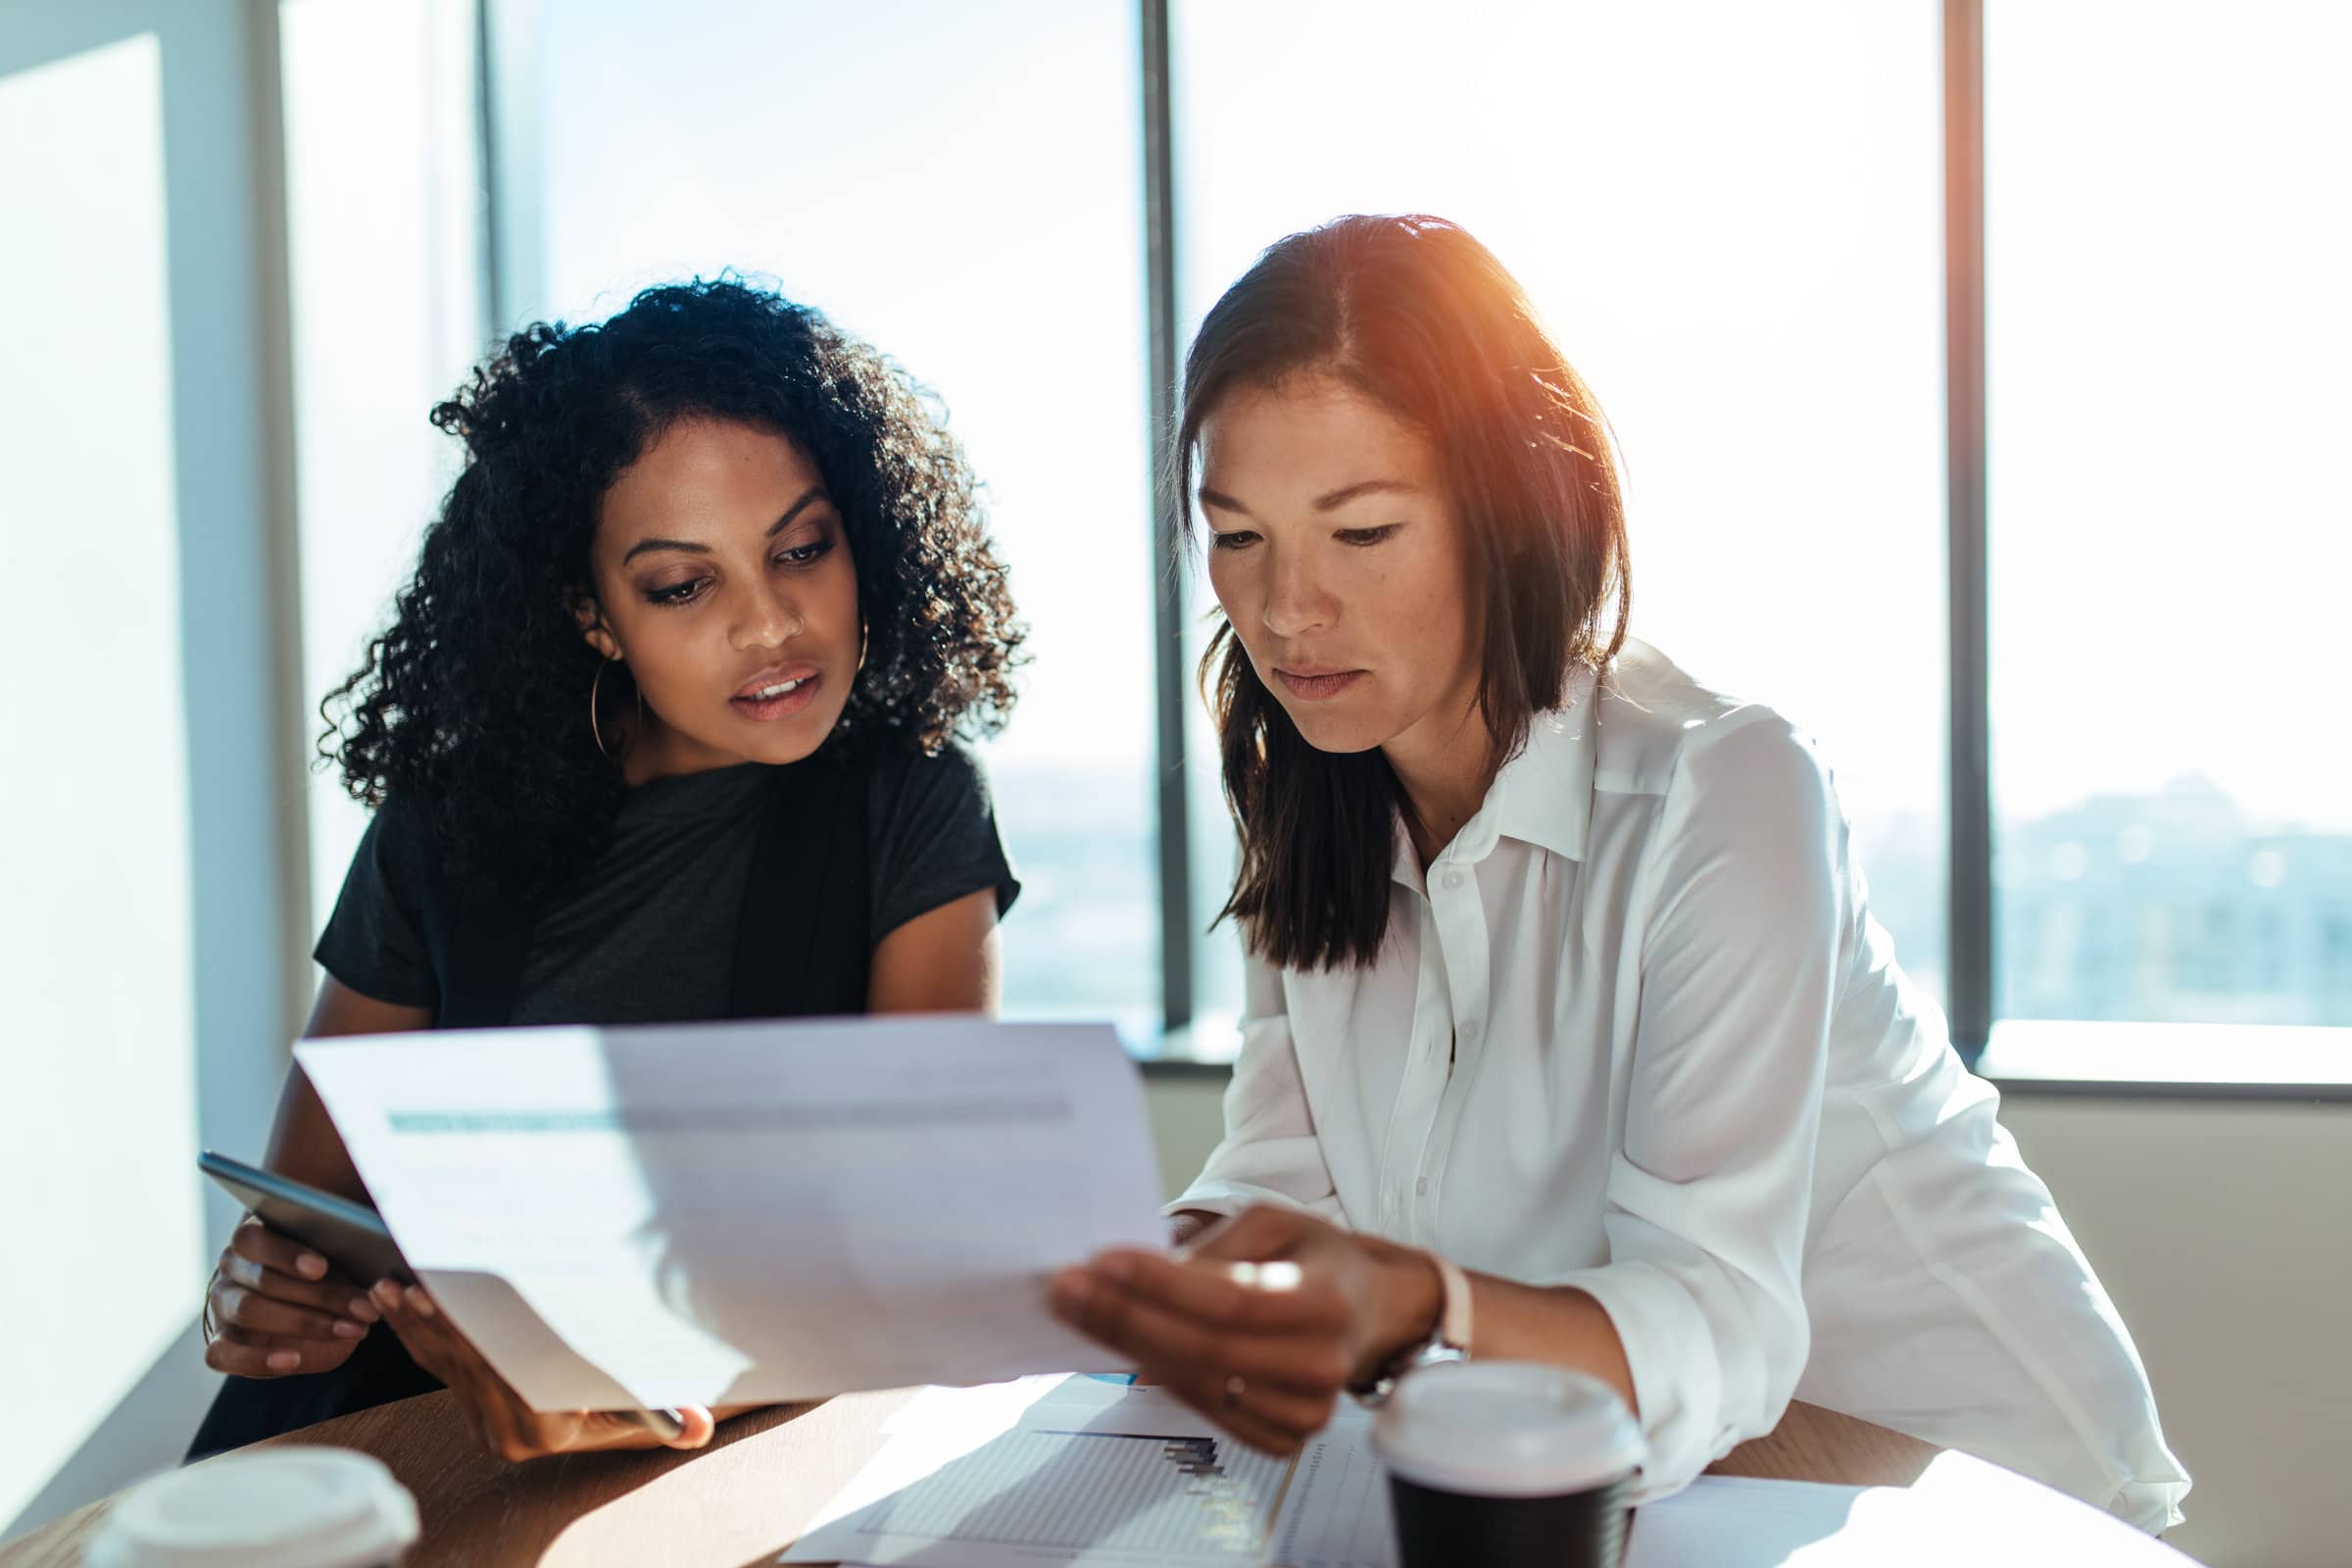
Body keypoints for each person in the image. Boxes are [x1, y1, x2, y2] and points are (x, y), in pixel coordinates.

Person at [1046, 215, 2190, 1532]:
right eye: (1237, 535)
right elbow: (1285, 1180)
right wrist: (1161, 1272)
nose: (1287, 607)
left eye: (1361, 533)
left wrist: (1416, 1304)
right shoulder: (1318, 797)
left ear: (1511, 516)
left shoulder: (1724, 787)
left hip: (1937, 1470)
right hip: (1605, 1455)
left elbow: (1716, 1326)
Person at [194, 279, 1025, 1462]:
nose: (771, 621)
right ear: (594, 615)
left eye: (801, 547)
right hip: (391, 1445)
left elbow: (914, 1249)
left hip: (722, 1444)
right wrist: (267, 1298)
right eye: (684, 584)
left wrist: (642, 1383)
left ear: (863, 532)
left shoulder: (912, 801)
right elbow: (313, 1222)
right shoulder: (444, 824)